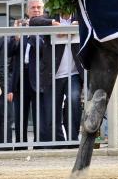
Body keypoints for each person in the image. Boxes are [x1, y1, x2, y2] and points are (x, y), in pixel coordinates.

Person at [29, 11, 84, 144]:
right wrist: (52, 23)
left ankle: (72, 140)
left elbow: (94, 16)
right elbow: (33, 21)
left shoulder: (79, 16)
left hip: (74, 73)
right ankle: (59, 142)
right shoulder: (51, 16)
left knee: (74, 100)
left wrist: (79, 24)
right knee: (51, 113)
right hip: (52, 75)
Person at [12, 0, 45, 147]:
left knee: (38, 114)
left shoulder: (47, 26)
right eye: (33, 8)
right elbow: (10, 51)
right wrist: (17, 36)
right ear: (27, 11)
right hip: (21, 76)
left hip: (38, 76)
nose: (36, 10)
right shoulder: (20, 26)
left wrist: (31, 32)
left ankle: (38, 144)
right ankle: (20, 145)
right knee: (20, 114)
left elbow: (43, 49)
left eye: (39, 7)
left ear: (43, 10)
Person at [0, 32, 17, 150]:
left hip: (1, 85)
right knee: (7, 117)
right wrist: (7, 89)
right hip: (4, 86)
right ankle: (5, 148)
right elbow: (2, 67)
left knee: (0, 118)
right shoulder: (8, 41)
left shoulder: (4, 40)